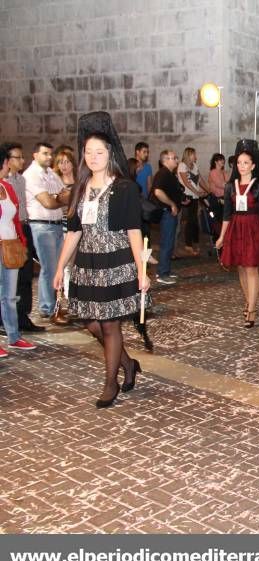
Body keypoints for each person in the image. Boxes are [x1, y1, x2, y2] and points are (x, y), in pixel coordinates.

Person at [54, 111, 151, 408]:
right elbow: (73, 233)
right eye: (88, 152)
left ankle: (111, 383)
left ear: (110, 154)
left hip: (115, 263)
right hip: (88, 266)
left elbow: (134, 231)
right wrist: (59, 268)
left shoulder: (124, 188)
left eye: (100, 152)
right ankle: (128, 363)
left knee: (110, 326)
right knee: (91, 323)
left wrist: (141, 270)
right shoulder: (80, 190)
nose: (93, 157)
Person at [215, 139, 259, 328]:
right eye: (239, 162)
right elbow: (226, 214)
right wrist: (222, 236)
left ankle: (252, 309)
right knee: (240, 267)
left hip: (253, 228)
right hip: (236, 228)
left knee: (251, 268)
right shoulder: (230, 186)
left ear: (253, 165)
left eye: (246, 163)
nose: (241, 166)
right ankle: (248, 300)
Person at [23, 142, 70, 318]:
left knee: (57, 267)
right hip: (42, 225)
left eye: (50, 154)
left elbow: (67, 193)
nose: (49, 157)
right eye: (45, 154)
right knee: (49, 268)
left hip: (57, 223)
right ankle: (47, 307)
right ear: (35, 155)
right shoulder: (31, 175)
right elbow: (48, 202)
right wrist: (58, 198)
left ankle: (54, 306)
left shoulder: (51, 173)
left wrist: (57, 197)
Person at [0, 146, 38, 355]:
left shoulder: (7, 187)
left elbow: (14, 218)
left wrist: (21, 240)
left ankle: (13, 336)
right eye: (7, 162)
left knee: (9, 295)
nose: (9, 166)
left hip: (11, 245)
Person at [151, 150, 182, 284]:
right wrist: (172, 204)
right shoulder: (163, 173)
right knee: (167, 243)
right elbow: (158, 192)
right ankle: (162, 273)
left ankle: (166, 270)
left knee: (169, 242)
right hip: (166, 213)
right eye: (174, 158)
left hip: (170, 212)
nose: (176, 160)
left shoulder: (169, 174)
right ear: (165, 160)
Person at [177, 147, 208, 257]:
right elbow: (186, 183)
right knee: (189, 220)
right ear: (189, 155)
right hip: (187, 197)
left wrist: (207, 190)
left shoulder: (194, 166)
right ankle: (188, 244)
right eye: (194, 154)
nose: (196, 156)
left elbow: (200, 180)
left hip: (194, 196)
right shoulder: (182, 166)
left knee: (194, 220)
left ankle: (195, 242)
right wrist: (197, 192)